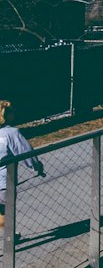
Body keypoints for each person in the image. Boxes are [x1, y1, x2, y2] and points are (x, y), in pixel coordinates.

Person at [0, 99, 45, 236]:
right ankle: (10, 239)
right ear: (5, 114)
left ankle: (11, 236)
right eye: (12, 111)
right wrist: (37, 167)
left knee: (2, 212)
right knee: (6, 210)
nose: (15, 113)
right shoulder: (12, 133)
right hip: (3, 182)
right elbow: (27, 154)